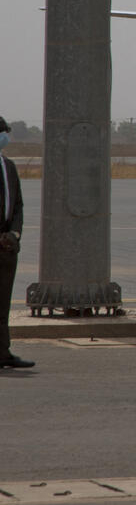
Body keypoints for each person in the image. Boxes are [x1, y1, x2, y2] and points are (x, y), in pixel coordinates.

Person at [0, 117, 35, 369]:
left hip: (7, 246)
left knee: (3, 304)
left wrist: (15, 233)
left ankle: (3, 352)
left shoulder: (8, 166)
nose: (5, 137)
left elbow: (18, 205)